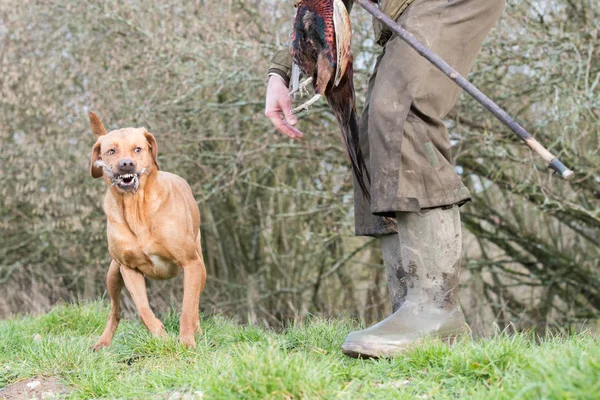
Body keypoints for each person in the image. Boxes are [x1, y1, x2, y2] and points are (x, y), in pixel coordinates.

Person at [264, 0, 506, 358]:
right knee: (374, 137)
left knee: (400, 112)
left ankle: (434, 311)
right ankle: (407, 309)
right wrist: (281, 72)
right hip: (405, 10)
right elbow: (321, 5)